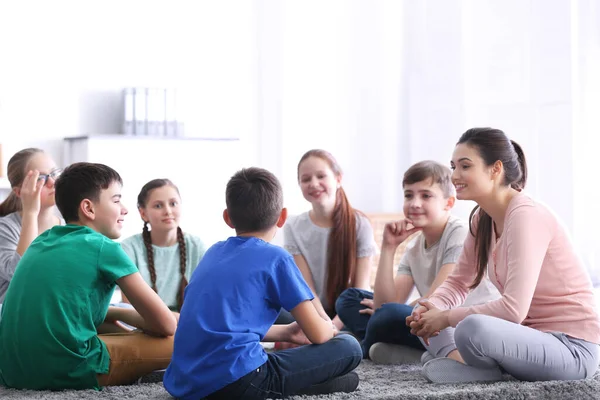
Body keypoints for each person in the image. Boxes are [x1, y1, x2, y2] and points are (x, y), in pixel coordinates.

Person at [408, 127, 600, 383]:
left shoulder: (526, 215)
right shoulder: (482, 219)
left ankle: (464, 362)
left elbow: (513, 310)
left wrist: (444, 317)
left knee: (471, 327)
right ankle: (463, 362)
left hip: (572, 349)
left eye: (465, 166)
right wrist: (432, 307)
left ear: (495, 169)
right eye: (453, 166)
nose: (455, 176)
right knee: (432, 315)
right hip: (526, 341)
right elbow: (458, 281)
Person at [164, 167, 362, 400]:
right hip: (239, 382)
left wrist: (287, 332)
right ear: (282, 217)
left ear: (227, 217)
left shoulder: (213, 252)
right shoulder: (277, 258)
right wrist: (329, 329)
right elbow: (319, 335)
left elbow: (219, 326)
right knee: (349, 347)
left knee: (342, 377)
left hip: (185, 383)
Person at [0, 162, 177, 390]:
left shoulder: (41, 242)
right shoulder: (104, 248)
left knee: (124, 321)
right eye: (116, 200)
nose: (124, 209)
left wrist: (115, 313)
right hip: (65, 369)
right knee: (180, 340)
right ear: (88, 208)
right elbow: (166, 326)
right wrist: (130, 316)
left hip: (12, 370)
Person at [335, 161, 498, 363]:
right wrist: (388, 247)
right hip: (426, 323)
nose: (415, 203)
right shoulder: (414, 247)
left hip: (460, 326)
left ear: (448, 203)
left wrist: (388, 312)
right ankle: (413, 352)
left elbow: (437, 298)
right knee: (349, 299)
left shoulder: (460, 232)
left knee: (387, 316)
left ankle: (358, 350)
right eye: (408, 195)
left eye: (426, 196)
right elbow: (383, 303)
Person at [283, 149, 378, 329]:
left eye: (321, 176)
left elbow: (360, 290)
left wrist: (334, 326)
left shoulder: (360, 223)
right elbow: (306, 289)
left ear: (338, 179)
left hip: (348, 312)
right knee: (277, 309)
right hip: (311, 310)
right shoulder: (293, 227)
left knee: (368, 317)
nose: (314, 184)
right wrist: (324, 324)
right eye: (306, 179)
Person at [121, 179, 206, 311]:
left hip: (187, 324)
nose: (168, 211)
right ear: (143, 213)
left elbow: (204, 300)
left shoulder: (196, 246)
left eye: (173, 203)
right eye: (158, 206)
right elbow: (129, 306)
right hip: (142, 325)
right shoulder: (129, 248)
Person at [0, 148, 62, 303]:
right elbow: (20, 275)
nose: (52, 182)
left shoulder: (66, 225)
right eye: (41, 178)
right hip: (15, 316)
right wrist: (30, 213)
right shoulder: (6, 228)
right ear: (19, 192)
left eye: (54, 173)